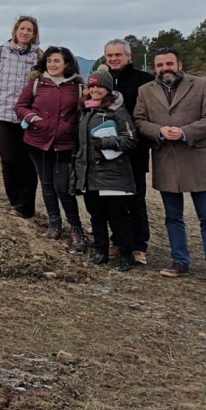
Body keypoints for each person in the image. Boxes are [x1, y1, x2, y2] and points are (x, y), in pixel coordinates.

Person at [133, 49, 206, 285]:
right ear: (155, 68)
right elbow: (140, 121)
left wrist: (185, 132)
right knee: (173, 217)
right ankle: (179, 261)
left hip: (198, 159)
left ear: (179, 64)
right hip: (166, 159)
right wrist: (159, 131)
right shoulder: (145, 91)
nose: (165, 68)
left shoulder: (202, 85)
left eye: (169, 63)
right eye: (160, 64)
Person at [15, 45, 86, 252]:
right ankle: (54, 223)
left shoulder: (78, 87)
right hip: (37, 142)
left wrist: (69, 126)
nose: (52, 64)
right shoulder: (37, 83)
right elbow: (20, 106)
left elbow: (84, 112)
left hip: (65, 144)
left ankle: (76, 228)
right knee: (46, 184)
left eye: (57, 61)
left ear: (67, 64)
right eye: (49, 61)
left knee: (63, 187)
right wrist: (32, 118)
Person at [72, 71, 138, 272]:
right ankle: (100, 251)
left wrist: (106, 142)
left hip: (113, 175)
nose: (95, 90)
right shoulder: (84, 111)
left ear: (108, 89)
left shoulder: (117, 111)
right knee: (96, 215)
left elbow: (132, 139)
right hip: (90, 174)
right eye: (91, 87)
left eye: (99, 86)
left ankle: (126, 254)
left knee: (119, 217)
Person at [0, 15, 41, 219]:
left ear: (34, 34)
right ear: (15, 31)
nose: (25, 32)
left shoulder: (39, 56)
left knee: (28, 160)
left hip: (27, 115)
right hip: (1, 114)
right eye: (22, 28)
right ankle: (15, 202)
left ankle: (26, 207)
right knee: (9, 159)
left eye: (29, 30)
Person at [103, 39, 154, 264]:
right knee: (114, 201)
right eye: (110, 55)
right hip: (109, 152)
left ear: (128, 56)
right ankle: (118, 241)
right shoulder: (103, 82)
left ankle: (139, 245)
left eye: (118, 55)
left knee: (136, 199)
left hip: (136, 150)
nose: (114, 59)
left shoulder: (145, 81)